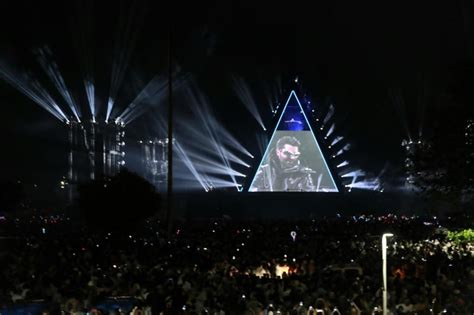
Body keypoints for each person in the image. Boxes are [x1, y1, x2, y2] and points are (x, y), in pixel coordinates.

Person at [251, 136, 316, 191]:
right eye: (287, 154)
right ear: (278, 152)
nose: (292, 158)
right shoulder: (263, 171)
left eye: (296, 155)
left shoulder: (303, 174)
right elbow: (252, 190)